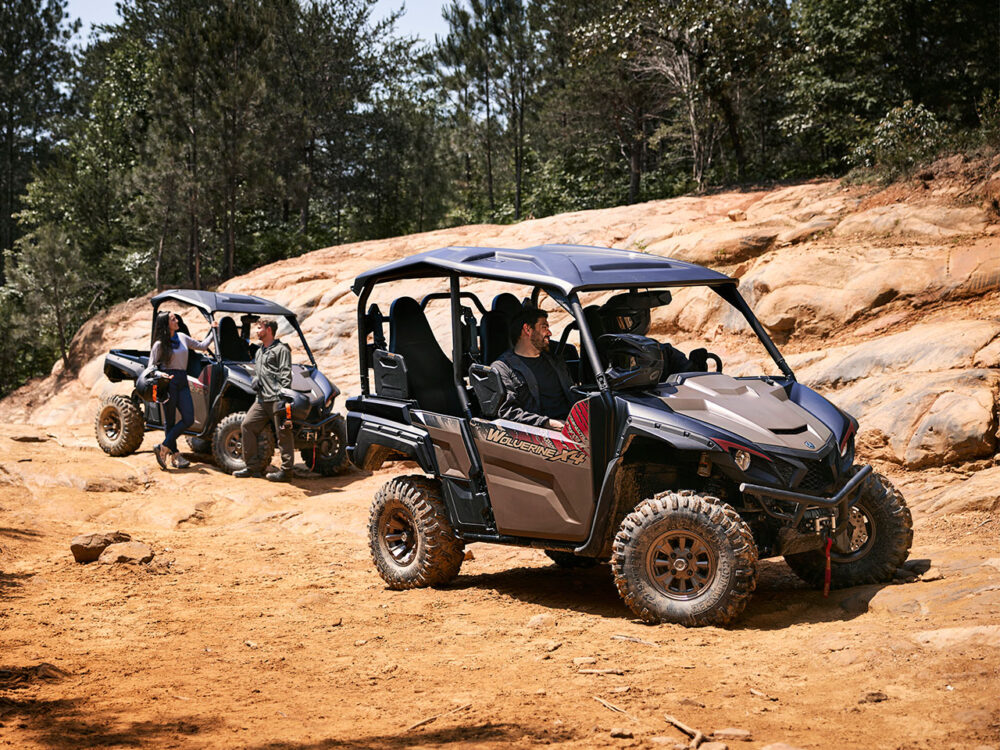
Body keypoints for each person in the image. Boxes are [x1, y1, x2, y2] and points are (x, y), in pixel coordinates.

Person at [150, 311, 216, 470]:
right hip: (168, 382)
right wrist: (161, 374)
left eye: (175, 317)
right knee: (170, 420)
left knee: (188, 419)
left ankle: (164, 447)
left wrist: (214, 331)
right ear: (166, 324)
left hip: (182, 380)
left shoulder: (182, 337)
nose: (176, 320)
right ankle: (175, 455)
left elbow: (202, 346)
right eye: (173, 319)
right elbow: (151, 367)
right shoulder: (159, 344)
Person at [492, 306, 574, 430]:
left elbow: (573, 392)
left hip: (574, 426)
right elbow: (507, 412)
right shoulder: (503, 368)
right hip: (538, 436)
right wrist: (547, 423)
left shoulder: (555, 361)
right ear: (528, 329)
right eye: (544, 327)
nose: (549, 333)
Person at [235, 318, 294, 482]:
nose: (256, 331)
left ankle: (287, 471)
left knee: (283, 434)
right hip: (261, 400)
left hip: (277, 399)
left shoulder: (282, 350)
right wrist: (255, 379)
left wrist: (284, 397)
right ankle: (252, 467)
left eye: (259, 328)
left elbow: (285, 374)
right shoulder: (260, 351)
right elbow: (259, 371)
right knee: (247, 425)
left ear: (268, 330)